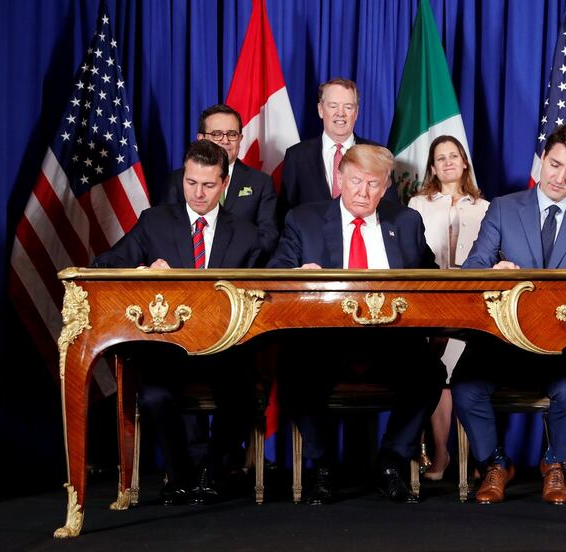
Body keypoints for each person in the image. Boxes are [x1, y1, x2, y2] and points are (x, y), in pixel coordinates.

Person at [453, 124, 566, 505]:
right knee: (465, 388)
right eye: (554, 164)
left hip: (564, 346)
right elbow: (473, 267)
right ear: (543, 159)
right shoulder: (503, 207)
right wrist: (491, 272)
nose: (559, 177)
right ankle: (496, 464)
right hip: (503, 342)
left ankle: (553, 464)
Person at [268, 144, 446, 505]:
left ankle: (391, 461)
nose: (363, 193)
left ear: (385, 187)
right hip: (324, 344)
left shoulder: (406, 222)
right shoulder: (304, 220)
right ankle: (323, 467)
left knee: (430, 372)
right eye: (355, 181)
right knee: (292, 368)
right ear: (340, 179)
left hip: (391, 345)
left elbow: (431, 282)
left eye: (373, 184)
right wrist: (297, 277)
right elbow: (273, 277)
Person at [93, 139, 262, 505]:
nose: (197, 193)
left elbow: (258, 296)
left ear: (225, 183)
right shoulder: (155, 221)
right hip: (168, 346)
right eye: (190, 182)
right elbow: (104, 263)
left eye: (208, 185)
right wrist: (139, 271)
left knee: (242, 395)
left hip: (225, 348)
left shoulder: (247, 234)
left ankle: (212, 472)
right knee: (154, 396)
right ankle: (180, 472)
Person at [407, 136, 489, 480]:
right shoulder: (417, 205)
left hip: (471, 302)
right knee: (436, 375)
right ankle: (441, 457)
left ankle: (473, 459)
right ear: (432, 167)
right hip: (430, 298)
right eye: (440, 158)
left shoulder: (485, 208)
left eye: (453, 156)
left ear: (464, 162)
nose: (448, 162)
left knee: (463, 374)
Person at [163, 104, 278, 261]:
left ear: (240, 138)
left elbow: (268, 238)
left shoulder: (261, 182)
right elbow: (164, 231)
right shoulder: (177, 180)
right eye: (216, 134)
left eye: (232, 134)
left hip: (241, 272)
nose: (225, 140)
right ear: (201, 139)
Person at [278, 78, 399, 223]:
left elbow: (391, 210)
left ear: (356, 112)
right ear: (321, 110)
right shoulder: (297, 156)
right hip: (312, 243)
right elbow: (285, 215)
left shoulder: (378, 155)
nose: (340, 113)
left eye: (348, 107)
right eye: (333, 106)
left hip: (361, 242)